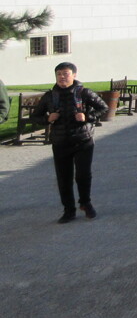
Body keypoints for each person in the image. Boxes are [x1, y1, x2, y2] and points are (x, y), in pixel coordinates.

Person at [31, 62, 108, 223]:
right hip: (60, 142)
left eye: (65, 73)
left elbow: (104, 108)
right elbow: (35, 117)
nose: (62, 77)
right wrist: (47, 118)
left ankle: (85, 203)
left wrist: (87, 117)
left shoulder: (84, 93)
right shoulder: (50, 96)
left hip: (83, 141)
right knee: (63, 178)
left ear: (74, 75)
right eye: (59, 74)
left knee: (83, 175)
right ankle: (69, 209)